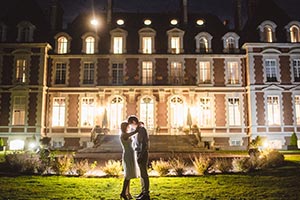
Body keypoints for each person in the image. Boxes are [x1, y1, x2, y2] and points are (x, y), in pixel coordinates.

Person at [128, 116, 150, 200]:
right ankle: (143, 191)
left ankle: (146, 194)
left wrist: (140, 155)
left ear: (133, 122)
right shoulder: (138, 130)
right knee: (142, 173)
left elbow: (144, 144)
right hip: (139, 152)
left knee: (144, 173)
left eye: (130, 124)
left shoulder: (141, 130)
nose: (130, 126)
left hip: (142, 153)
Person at [120, 122, 139, 200]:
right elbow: (134, 132)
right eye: (127, 126)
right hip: (128, 155)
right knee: (128, 175)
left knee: (129, 175)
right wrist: (138, 126)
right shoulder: (124, 135)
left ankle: (127, 193)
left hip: (130, 154)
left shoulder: (126, 134)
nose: (128, 127)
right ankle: (123, 193)